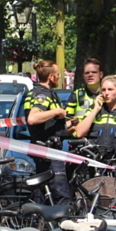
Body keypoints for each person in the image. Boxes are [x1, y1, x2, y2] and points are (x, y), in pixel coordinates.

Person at [23, 60, 72, 205]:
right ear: (51, 77)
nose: (59, 77)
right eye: (58, 74)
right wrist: (57, 111)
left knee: (42, 196)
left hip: (45, 150)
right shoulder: (43, 94)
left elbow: (49, 126)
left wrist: (70, 124)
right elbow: (33, 118)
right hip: (48, 152)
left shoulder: (37, 92)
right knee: (62, 196)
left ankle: (39, 225)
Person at [65, 58, 104, 137]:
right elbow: (65, 123)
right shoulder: (77, 94)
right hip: (80, 143)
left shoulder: (107, 95)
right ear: (83, 76)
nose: (90, 75)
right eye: (87, 73)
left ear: (101, 74)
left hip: (101, 141)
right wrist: (73, 124)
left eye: (94, 72)